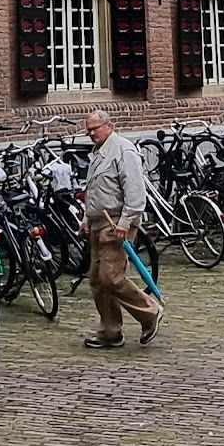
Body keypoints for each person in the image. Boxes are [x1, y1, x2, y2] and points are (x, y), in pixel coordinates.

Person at [80, 109, 161, 349]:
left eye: (95, 128)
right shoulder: (97, 153)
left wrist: (126, 222)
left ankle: (149, 312)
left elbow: (135, 192)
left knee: (111, 277)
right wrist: (86, 217)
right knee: (96, 279)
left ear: (109, 126)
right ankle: (110, 331)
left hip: (115, 222)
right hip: (98, 221)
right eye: (89, 130)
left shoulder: (123, 151)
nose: (92, 134)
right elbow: (95, 189)